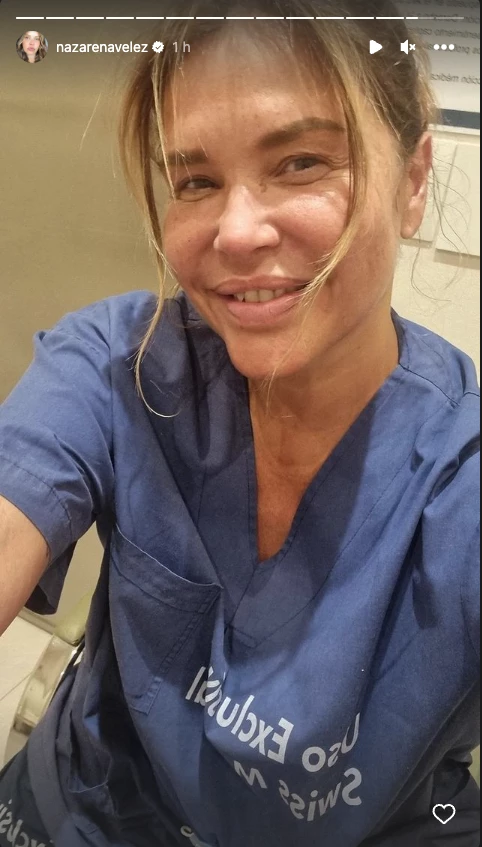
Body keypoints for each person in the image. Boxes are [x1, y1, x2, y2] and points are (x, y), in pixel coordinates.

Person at [0, 0, 479, 845]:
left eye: (300, 162)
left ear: (413, 182)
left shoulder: (459, 478)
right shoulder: (120, 362)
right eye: (196, 182)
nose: (236, 231)